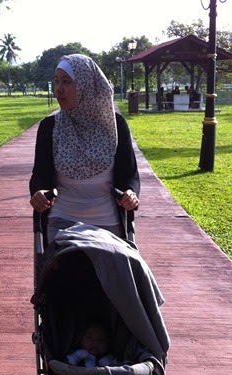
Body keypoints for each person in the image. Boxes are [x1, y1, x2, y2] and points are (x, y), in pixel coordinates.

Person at [29, 54, 140, 244]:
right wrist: (38, 192)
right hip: (62, 222)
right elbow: (39, 175)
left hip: (108, 223)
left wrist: (130, 193)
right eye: (56, 81)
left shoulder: (115, 126)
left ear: (86, 86)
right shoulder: (49, 127)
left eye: (66, 82)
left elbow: (130, 175)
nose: (58, 89)